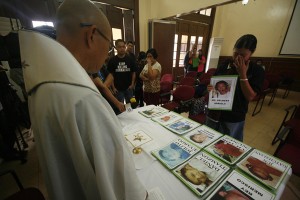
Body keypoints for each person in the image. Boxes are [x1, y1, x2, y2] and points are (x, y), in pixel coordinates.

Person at [21, 0, 147, 199]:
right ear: (91, 35)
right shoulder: (83, 98)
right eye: (108, 46)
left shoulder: (42, 82)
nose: (108, 54)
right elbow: (120, 182)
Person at [206, 34, 264, 141]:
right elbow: (215, 84)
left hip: (234, 116)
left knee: (227, 146)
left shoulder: (256, 70)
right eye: (236, 53)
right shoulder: (225, 64)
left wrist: (242, 74)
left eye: (243, 55)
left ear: (252, 52)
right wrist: (211, 88)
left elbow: (251, 96)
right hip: (215, 112)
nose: (237, 57)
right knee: (209, 140)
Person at [107, 39, 136, 104]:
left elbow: (133, 72)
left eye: (123, 47)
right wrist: (113, 87)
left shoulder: (130, 59)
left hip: (129, 88)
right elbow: (111, 75)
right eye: (120, 47)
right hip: (118, 89)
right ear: (116, 48)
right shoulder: (112, 60)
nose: (122, 49)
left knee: (131, 105)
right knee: (120, 107)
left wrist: (132, 84)